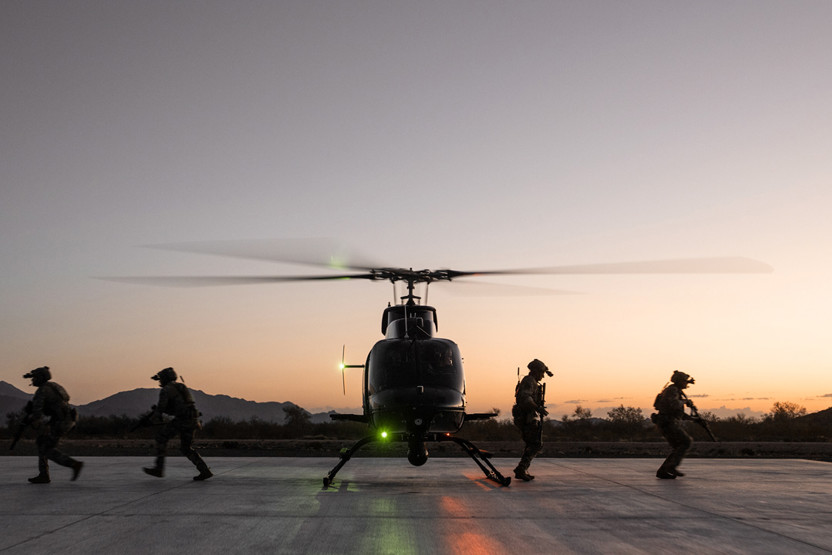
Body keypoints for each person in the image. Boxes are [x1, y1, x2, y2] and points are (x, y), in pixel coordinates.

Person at [142, 367, 213, 481]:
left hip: (182, 420)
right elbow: (180, 406)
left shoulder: (166, 390)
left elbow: (161, 408)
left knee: (161, 438)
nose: (160, 382)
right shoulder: (181, 387)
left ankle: (159, 469)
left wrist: (151, 420)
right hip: (193, 419)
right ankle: (204, 470)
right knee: (186, 448)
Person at [23, 366, 83, 484]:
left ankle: (73, 464)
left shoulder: (42, 391)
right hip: (67, 420)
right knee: (42, 442)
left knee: (45, 448)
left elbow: (37, 414)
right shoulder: (54, 386)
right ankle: (44, 474)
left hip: (61, 423)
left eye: (34, 378)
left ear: (40, 378)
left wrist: (31, 419)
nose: (32, 380)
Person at [511, 359, 551, 481]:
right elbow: (525, 397)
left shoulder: (531, 381)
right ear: (535, 371)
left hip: (528, 417)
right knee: (536, 444)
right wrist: (537, 408)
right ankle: (521, 469)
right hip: (526, 417)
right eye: (541, 373)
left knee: (532, 443)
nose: (543, 376)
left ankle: (521, 469)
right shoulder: (529, 381)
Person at [652, 370, 696, 479]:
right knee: (686, 442)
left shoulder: (675, 390)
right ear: (679, 381)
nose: (686, 384)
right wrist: (685, 402)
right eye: (685, 381)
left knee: (678, 446)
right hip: (667, 423)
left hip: (667, 422)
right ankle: (671, 466)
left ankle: (663, 471)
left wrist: (692, 419)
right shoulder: (672, 390)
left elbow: (677, 412)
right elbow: (673, 404)